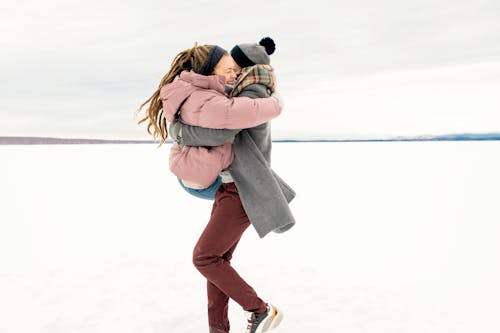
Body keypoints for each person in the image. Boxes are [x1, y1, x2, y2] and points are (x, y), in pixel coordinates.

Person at [136, 43, 288, 333]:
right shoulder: (235, 92)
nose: (232, 74)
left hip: (242, 190)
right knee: (218, 261)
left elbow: (228, 127)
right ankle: (219, 329)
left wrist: (179, 131)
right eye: (228, 68)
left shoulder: (250, 92)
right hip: (230, 188)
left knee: (204, 257)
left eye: (235, 68)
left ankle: (261, 310)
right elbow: (221, 127)